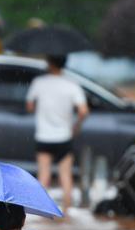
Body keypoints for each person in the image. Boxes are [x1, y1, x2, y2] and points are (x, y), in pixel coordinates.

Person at [26, 55, 89, 216]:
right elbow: (83, 111)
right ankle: (65, 214)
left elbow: (30, 106)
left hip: (44, 136)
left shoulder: (39, 83)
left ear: (49, 63)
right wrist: (76, 126)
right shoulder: (71, 84)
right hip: (64, 137)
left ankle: (39, 213)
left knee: (44, 176)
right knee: (65, 176)